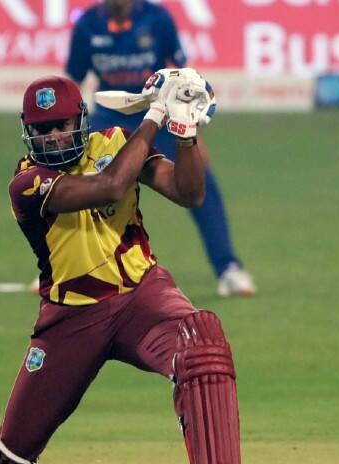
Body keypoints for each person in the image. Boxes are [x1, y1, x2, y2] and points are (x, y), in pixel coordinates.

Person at [0, 73, 258, 464]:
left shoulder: (115, 140)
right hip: (71, 317)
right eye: (42, 129)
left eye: (61, 124)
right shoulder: (28, 183)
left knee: (202, 339)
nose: (53, 136)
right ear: (28, 134)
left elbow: (190, 193)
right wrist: (156, 113)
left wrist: (187, 131)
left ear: (81, 120)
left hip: (143, 297)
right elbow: (112, 186)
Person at [63, 0, 256, 297]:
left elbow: (181, 74)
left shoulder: (158, 19)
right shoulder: (88, 25)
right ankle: (68, 270)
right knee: (83, 189)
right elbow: (72, 83)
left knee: (200, 184)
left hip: (158, 115)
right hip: (108, 116)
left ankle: (228, 268)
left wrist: (193, 136)